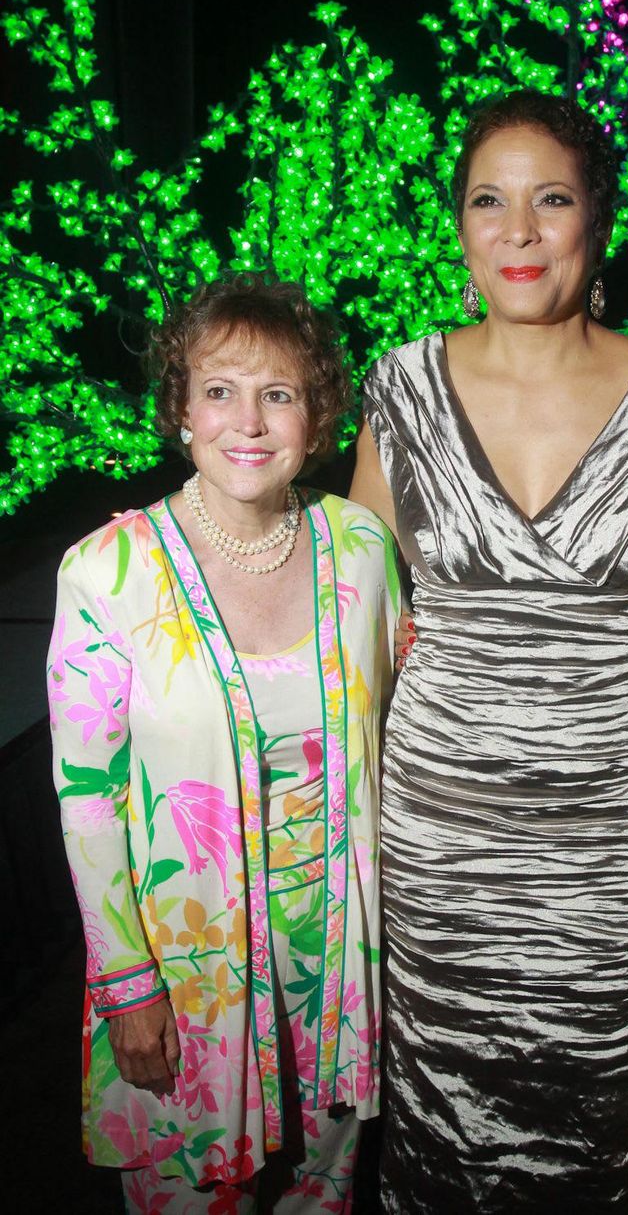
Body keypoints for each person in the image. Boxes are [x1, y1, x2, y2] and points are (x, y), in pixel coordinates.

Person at [349, 89, 628, 1212]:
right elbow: (353, 579)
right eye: (488, 201)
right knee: (445, 1115)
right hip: (442, 832)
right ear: (459, 225)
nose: (517, 230)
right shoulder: (401, 386)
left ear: (596, 220)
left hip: (609, 839)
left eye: (549, 199)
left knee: (593, 1114)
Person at [47, 276, 400, 1213]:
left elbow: (400, 722)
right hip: (185, 966)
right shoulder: (107, 571)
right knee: (192, 1191)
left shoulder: (361, 547)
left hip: (336, 959)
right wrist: (126, 983)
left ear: (317, 416)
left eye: (278, 393)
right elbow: (87, 796)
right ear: (181, 408)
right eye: (219, 390)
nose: (248, 420)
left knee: (323, 1190)